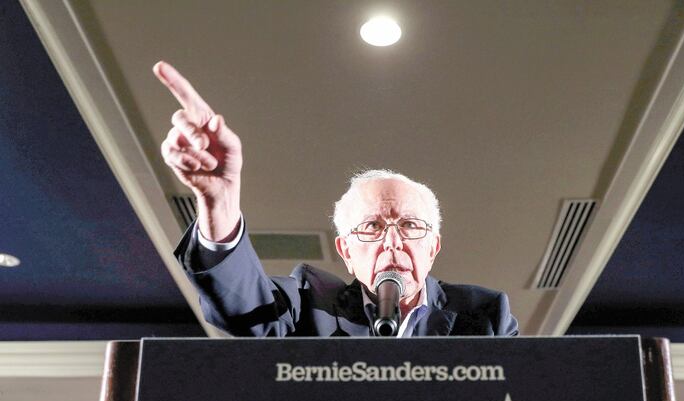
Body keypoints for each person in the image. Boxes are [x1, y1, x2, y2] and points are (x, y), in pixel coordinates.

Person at [154, 61, 519, 338]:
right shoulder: (307, 304)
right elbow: (244, 307)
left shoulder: (485, 316)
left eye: (409, 225)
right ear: (345, 251)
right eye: (372, 227)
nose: (392, 242)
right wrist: (219, 199)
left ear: (433, 246)